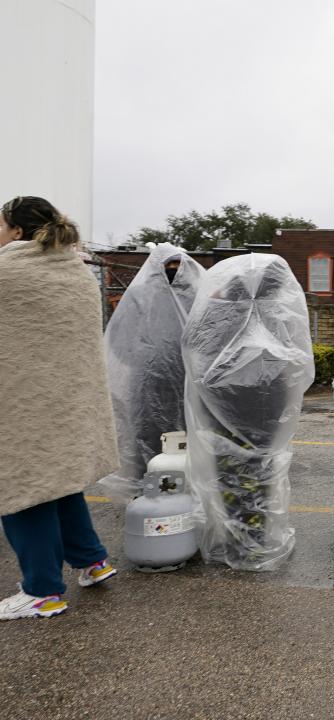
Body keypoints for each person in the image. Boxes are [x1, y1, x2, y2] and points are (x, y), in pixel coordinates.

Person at [0, 198, 120, 620]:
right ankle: (92, 561)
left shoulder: (8, 271)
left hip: (24, 404)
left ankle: (43, 590)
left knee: (21, 489)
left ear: (16, 231)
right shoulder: (76, 271)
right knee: (61, 481)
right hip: (70, 400)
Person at [183, 254, 314, 571]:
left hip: (227, 408)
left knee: (231, 475)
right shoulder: (279, 313)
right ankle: (256, 540)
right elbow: (297, 358)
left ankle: (238, 542)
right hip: (267, 408)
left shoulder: (220, 311)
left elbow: (193, 346)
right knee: (262, 472)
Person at [101, 243, 205, 501]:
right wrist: (146, 362)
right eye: (168, 268)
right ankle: (147, 496)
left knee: (188, 441)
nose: (173, 272)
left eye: (177, 267)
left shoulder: (197, 294)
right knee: (148, 438)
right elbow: (119, 339)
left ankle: (188, 496)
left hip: (187, 382)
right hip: (149, 384)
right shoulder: (141, 296)